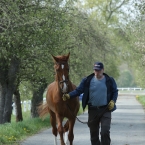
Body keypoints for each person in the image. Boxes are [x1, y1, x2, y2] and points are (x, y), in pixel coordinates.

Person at [62, 61, 118, 145]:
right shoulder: (87, 80)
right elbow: (78, 90)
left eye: (98, 70)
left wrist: (113, 101)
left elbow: (115, 92)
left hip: (105, 109)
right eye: (95, 70)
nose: (96, 72)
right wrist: (69, 96)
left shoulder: (109, 80)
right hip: (93, 110)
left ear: (103, 70)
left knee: (105, 131)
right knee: (93, 134)